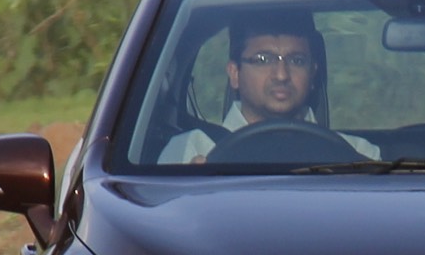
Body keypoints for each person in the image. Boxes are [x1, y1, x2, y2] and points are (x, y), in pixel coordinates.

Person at [159, 13, 378, 164]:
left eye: (297, 60)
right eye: (263, 59)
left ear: (313, 74)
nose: (281, 75)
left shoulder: (357, 156)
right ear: (235, 73)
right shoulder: (191, 150)